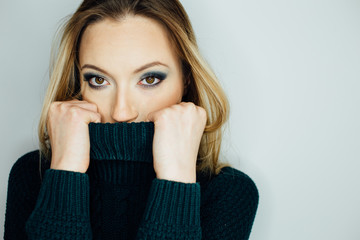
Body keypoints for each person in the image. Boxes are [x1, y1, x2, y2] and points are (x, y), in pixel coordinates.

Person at [4, 0, 259, 239]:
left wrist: (176, 180)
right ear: (78, 83)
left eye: (149, 79)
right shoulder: (33, 176)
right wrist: (64, 174)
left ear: (187, 78)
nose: (122, 112)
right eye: (99, 80)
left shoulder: (229, 193)